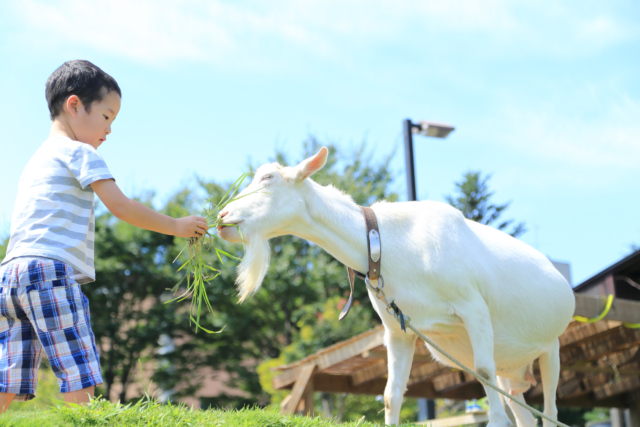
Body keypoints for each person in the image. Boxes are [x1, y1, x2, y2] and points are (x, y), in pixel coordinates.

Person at [0, 60, 208, 411]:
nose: (110, 129)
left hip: (9, 276)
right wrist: (176, 225)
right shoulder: (81, 152)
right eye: (107, 116)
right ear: (75, 105)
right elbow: (121, 206)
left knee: (8, 373)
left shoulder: (36, 159)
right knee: (76, 366)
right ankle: (85, 420)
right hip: (49, 271)